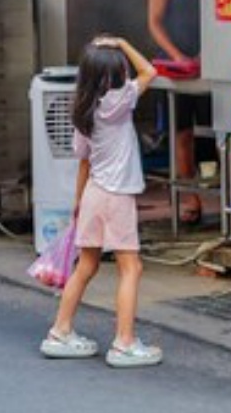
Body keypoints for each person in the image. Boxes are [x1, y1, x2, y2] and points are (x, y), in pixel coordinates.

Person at [41, 36, 164, 367]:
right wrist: (124, 43)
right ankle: (124, 342)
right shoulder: (119, 101)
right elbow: (150, 71)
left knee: (86, 266)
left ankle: (60, 331)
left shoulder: (83, 110)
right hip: (117, 196)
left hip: (94, 193)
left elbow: (84, 162)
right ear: (114, 74)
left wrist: (78, 203)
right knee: (131, 267)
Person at [146, 0, 209, 223]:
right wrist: (178, 56)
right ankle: (192, 199)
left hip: (210, 64)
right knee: (182, 134)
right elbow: (155, 22)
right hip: (176, 67)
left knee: (221, 134)